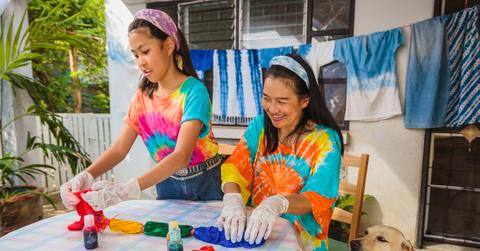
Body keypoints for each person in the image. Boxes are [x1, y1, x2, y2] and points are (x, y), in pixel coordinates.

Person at [60, 9, 223, 212]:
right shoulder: (142, 97)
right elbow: (120, 149)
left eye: (145, 51)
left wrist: (129, 188)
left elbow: (182, 155)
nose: (140, 62)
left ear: (169, 45)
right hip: (166, 181)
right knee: (169, 240)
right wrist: (87, 175)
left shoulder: (194, 92)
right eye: (136, 55)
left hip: (204, 181)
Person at [217, 54, 344, 251]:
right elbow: (235, 166)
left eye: (282, 101)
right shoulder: (260, 126)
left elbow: (317, 196)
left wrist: (278, 203)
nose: (272, 109)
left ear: (304, 101)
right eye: (267, 99)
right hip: (255, 233)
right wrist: (232, 199)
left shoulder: (326, 140)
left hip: (303, 241)